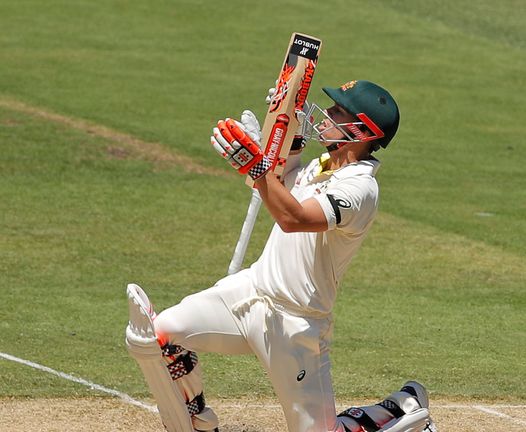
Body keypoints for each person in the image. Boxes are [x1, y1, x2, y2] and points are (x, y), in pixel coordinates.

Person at [125, 80, 438, 432]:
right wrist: (282, 125)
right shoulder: (321, 165)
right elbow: (279, 186)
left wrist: (256, 167)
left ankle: (399, 409)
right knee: (162, 335)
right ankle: (198, 423)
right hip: (249, 294)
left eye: (337, 112)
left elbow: (293, 218)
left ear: (362, 131)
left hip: (296, 325)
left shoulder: (360, 189)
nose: (325, 116)